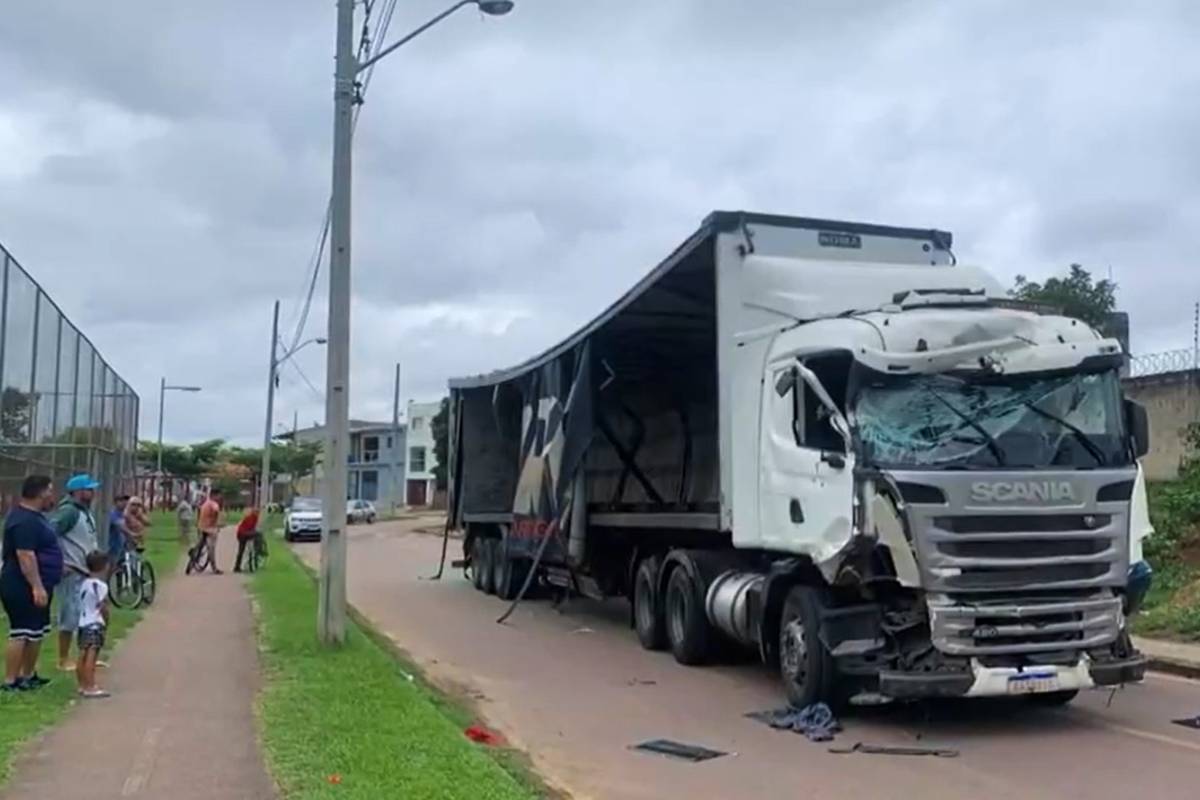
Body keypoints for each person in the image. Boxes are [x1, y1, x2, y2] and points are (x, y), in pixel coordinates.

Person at [1, 475, 61, 692]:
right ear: (41, 493)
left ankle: (28, 675)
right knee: (21, 631)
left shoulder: (36, 517)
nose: (52, 497)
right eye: (50, 491)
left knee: (36, 631)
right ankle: (10, 680)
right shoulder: (23, 520)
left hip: (41, 583)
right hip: (20, 584)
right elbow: (25, 555)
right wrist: (36, 585)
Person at [49, 473, 100, 672]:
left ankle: (84, 657)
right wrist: (59, 562)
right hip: (72, 571)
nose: (93, 492)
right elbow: (50, 534)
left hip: (84, 571)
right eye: (89, 489)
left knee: (84, 615)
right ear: (78, 492)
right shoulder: (68, 512)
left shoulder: (84, 512)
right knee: (69, 615)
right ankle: (62, 659)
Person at [74, 551, 110, 699]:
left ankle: (82, 685)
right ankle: (91, 686)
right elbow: (103, 606)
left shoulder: (84, 584)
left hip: (83, 623)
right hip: (94, 623)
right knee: (92, 656)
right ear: (104, 567)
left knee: (82, 655)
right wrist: (106, 621)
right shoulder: (100, 586)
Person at [191, 488, 223, 575]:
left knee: (200, 543)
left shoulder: (205, 503)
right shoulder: (214, 504)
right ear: (215, 495)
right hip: (210, 529)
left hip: (201, 527)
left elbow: (199, 510)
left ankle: (194, 554)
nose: (220, 497)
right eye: (219, 495)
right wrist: (219, 523)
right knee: (211, 548)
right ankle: (214, 568)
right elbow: (216, 510)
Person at [107, 495, 132, 576]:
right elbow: (121, 527)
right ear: (116, 502)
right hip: (113, 547)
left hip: (123, 547)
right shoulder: (112, 514)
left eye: (126, 502)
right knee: (111, 569)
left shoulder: (125, 515)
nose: (124, 504)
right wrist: (132, 534)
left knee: (124, 567)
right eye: (121, 501)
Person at [233, 507, 260, 573]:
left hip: (242, 533)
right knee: (257, 534)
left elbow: (252, 527)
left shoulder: (253, 518)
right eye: (256, 512)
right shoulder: (251, 517)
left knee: (241, 551)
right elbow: (250, 527)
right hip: (243, 534)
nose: (257, 514)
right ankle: (239, 566)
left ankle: (237, 566)